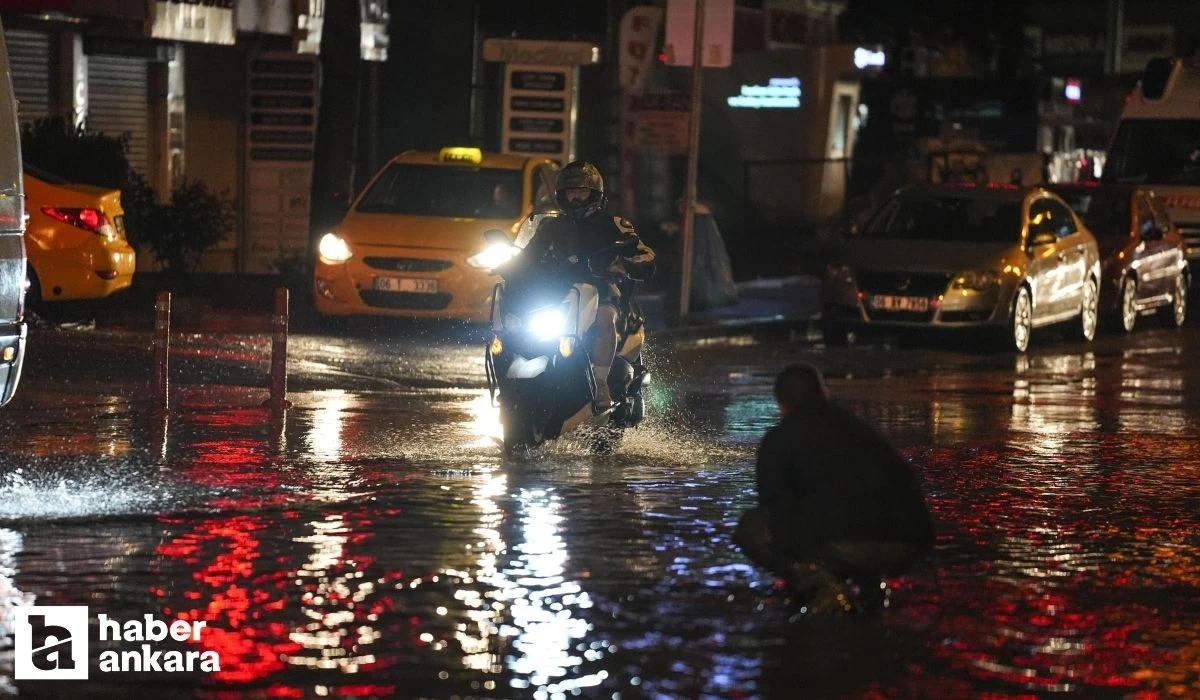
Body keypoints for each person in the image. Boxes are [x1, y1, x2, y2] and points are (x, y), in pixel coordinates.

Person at [734, 363, 935, 616]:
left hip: (850, 546)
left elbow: (776, 510)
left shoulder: (780, 438)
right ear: (824, 394)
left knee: (752, 529)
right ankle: (870, 589)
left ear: (781, 405)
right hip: (911, 543)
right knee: (848, 515)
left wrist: (799, 574)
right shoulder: (859, 428)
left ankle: (825, 587)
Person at [520, 161, 655, 410]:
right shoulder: (550, 226)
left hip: (604, 291)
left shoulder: (613, 224)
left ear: (594, 194)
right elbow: (526, 256)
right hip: (557, 294)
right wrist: (511, 267)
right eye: (571, 191)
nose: (575, 197)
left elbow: (644, 252)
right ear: (562, 195)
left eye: (582, 191)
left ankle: (600, 384)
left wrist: (630, 264)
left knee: (605, 316)